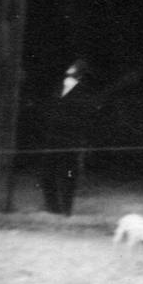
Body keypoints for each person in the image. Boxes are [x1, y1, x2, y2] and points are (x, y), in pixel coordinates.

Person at [37, 60, 99, 216]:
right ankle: (52, 207)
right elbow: (49, 109)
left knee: (68, 175)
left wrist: (82, 140)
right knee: (46, 173)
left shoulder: (84, 93)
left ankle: (66, 209)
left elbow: (85, 119)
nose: (70, 72)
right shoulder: (58, 88)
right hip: (52, 138)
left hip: (70, 140)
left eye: (74, 70)